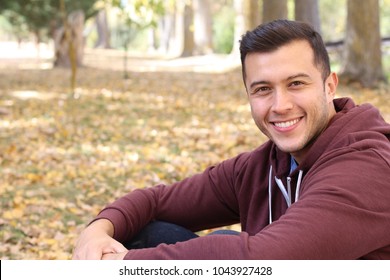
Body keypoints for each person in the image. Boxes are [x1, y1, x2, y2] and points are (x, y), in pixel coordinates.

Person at [73, 19, 390, 260]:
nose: (280, 105)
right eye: (263, 89)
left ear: (330, 86)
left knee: (227, 251)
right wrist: (96, 232)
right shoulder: (267, 164)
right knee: (149, 231)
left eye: (296, 83)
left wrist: (125, 263)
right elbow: (156, 201)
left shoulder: (368, 166)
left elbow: (267, 259)